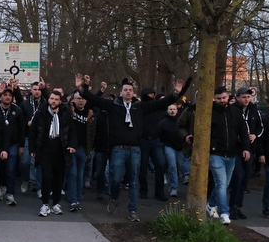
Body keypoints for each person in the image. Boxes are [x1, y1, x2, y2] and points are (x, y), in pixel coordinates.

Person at [75, 73, 189, 222]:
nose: (128, 92)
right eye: (125, 90)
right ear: (121, 92)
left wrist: (176, 93)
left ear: (133, 93)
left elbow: (160, 104)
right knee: (115, 178)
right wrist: (81, 88)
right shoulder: (113, 106)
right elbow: (94, 99)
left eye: (130, 90)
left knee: (133, 181)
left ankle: (133, 210)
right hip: (118, 148)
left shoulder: (140, 107)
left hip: (135, 148)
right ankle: (114, 197)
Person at [185, 85, 250, 225]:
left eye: (224, 97)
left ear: (228, 97)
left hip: (232, 153)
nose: (222, 100)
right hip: (216, 153)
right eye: (219, 98)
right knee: (221, 183)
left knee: (224, 184)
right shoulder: (209, 112)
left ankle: (211, 204)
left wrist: (246, 148)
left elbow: (243, 131)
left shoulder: (235, 112)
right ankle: (224, 213)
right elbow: (202, 130)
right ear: (214, 99)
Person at [30, 90, 77, 216]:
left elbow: (72, 131)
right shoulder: (41, 113)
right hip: (45, 149)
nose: (53, 101)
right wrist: (32, 149)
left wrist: (72, 145)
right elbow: (33, 132)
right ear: (48, 100)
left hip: (61, 150)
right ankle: (45, 204)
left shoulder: (65, 114)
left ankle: (56, 203)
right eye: (51, 99)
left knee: (58, 178)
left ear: (60, 101)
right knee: (46, 177)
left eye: (56, 99)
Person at [227, 87, 262, 218]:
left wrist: (255, 135)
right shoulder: (233, 111)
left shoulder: (254, 110)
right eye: (243, 97)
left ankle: (238, 206)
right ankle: (231, 206)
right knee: (238, 176)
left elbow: (261, 127)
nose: (246, 99)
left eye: (248, 97)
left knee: (245, 178)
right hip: (235, 148)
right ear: (237, 98)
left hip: (249, 148)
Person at [0, 84, 25, 206]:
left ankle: (10, 194)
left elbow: (22, 128)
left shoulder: (17, 110)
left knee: (10, 170)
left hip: (12, 144)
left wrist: (21, 145)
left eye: (9, 95)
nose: (7, 97)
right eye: (4, 95)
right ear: (0, 97)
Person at [160, 104, 188, 198]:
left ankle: (185, 179)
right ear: (167, 110)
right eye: (170, 109)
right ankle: (173, 188)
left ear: (177, 110)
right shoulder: (163, 123)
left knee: (183, 165)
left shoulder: (181, 121)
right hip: (169, 146)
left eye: (174, 109)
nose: (172, 111)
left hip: (180, 146)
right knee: (172, 166)